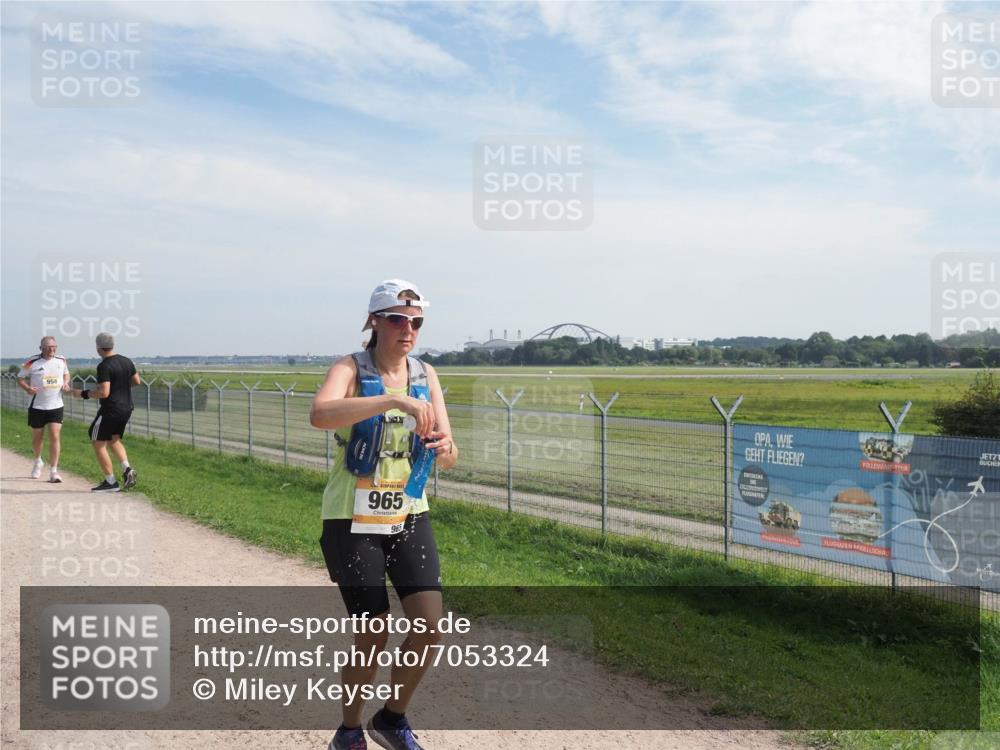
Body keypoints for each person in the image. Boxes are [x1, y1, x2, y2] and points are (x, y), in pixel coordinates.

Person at [310, 279, 457, 750]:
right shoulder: (350, 368)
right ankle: (349, 729)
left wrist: (445, 447)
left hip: (408, 512)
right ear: (374, 321)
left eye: (416, 322)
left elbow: (451, 454)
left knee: (429, 626)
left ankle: (391, 719)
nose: (408, 329)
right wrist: (393, 399)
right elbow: (321, 414)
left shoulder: (426, 374)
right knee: (373, 633)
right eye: (397, 319)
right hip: (351, 518)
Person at [72, 332, 141, 493]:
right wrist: (120, 387)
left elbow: (104, 392)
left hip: (111, 409)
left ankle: (111, 482)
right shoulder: (126, 361)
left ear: (98, 348)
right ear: (112, 345)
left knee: (96, 439)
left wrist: (83, 393)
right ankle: (127, 469)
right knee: (113, 439)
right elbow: (137, 381)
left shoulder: (104, 366)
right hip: (126, 408)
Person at [16, 336, 71, 482]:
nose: (52, 350)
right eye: (48, 347)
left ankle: (54, 471)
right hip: (37, 406)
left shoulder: (61, 360)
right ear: (41, 348)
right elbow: (20, 378)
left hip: (56, 405)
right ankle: (38, 461)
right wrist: (27, 388)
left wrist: (66, 383)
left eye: (54, 347)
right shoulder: (31, 361)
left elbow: (66, 374)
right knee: (38, 438)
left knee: (54, 435)